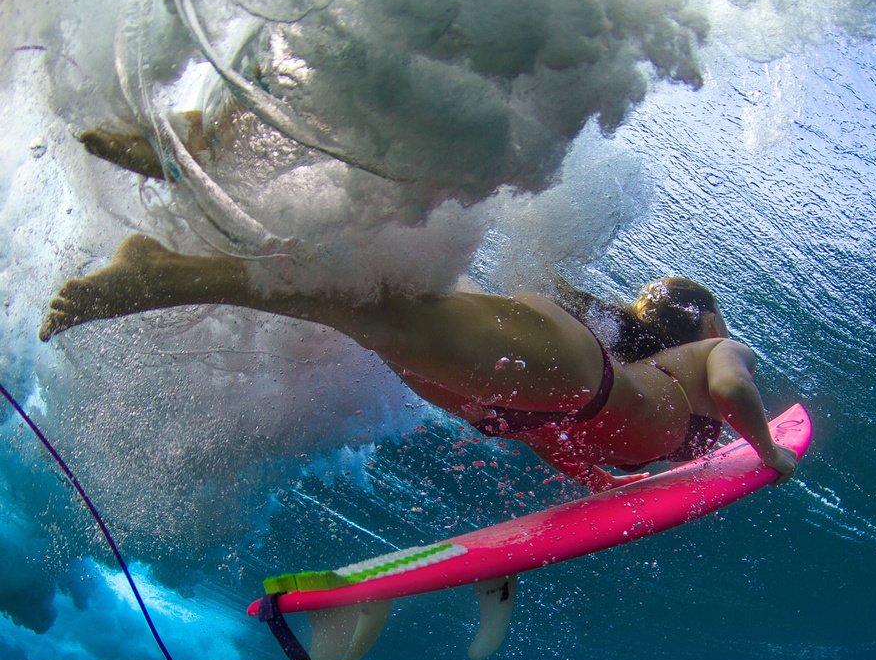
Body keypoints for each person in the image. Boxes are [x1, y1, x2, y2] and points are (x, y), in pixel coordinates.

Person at [39, 234, 798, 492]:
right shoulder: (715, 351)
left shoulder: (661, 374)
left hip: (528, 407)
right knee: (368, 310)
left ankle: (233, 201)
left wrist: (594, 482)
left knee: (378, 311)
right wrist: (764, 452)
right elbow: (734, 385)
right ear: (705, 317)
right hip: (563, 378)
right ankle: (162, 270)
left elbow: (560, 440)